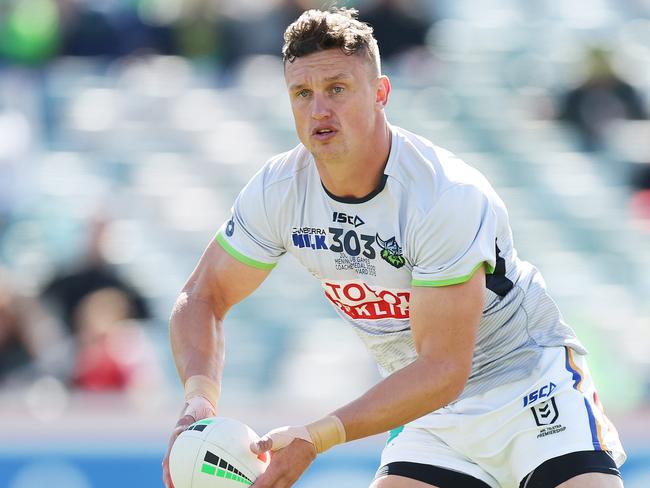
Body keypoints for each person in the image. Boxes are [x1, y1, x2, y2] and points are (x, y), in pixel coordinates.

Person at [163, 8, 625, 488]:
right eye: (303, 94)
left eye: (337, 89)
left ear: (381, 93)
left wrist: (317, 436)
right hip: (433, 415)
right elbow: (202, 296)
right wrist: (199, 398)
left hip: (528, 385)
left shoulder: (443, 194)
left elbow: (444, 367)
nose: (319, 109)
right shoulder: (278, 190)